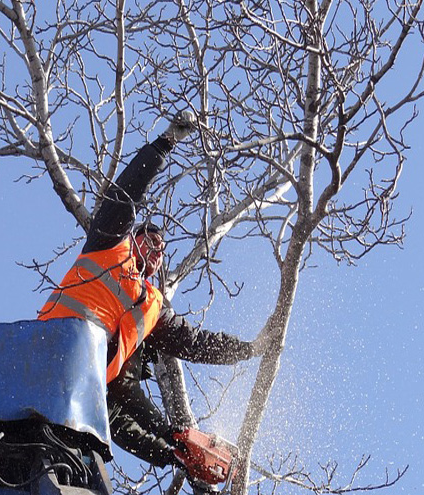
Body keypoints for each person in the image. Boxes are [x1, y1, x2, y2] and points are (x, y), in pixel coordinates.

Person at [38, 111, 269, 469]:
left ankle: (184, 450)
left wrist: (249, 350)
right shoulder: (109, 246)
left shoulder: (150, 309)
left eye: (163, 249)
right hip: (49, 351)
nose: (158, 251)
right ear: (133, 238)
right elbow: (126, 193)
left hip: (81, 390)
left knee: (119, 438)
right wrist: (165, 144)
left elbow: (192, 344)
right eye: (151, 241)